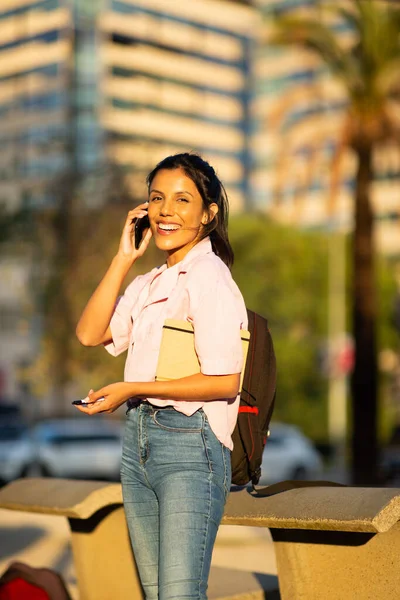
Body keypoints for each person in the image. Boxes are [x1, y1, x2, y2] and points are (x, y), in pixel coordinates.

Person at [75, 153, 248, 599]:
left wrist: (131, 388)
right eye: (156, 198)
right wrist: (122, 258)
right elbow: (89, 332)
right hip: (139, 442)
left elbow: (225, 381)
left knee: (178, 596)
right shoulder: (149, 281)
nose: (166, 210)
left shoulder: (210, 277)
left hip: (190, 445)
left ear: (208, 214)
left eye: (181, 199)